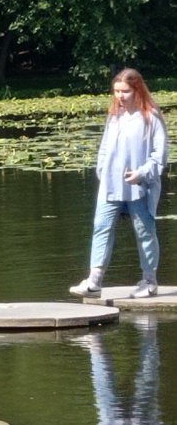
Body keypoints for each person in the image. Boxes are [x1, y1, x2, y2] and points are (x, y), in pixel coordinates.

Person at [71, 68, 167, 299]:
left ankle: (149, 281)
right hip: (110, 184)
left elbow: (159, 154)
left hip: (140, 185)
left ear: (137, 90)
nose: (120, 96)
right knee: (101, 227)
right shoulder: (114, 116)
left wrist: (142, 173)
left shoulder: (150, 116)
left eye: (125, 91)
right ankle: (94, 281)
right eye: (116, 91)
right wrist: (102, 170)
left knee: (144, 231)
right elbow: (105, 147)